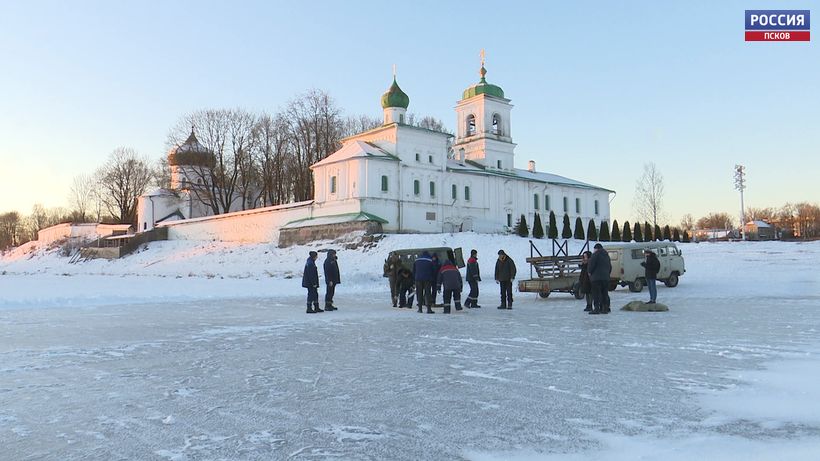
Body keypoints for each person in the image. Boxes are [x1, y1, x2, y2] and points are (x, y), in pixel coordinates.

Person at [587, 243, 612, 315]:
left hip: (596, 278)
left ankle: (597, 309)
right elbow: (610, 267)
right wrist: (607, 274)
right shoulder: (606, 255)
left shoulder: (595, 255)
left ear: (596, 249)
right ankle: (605, 308)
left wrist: (589, 272)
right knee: (605, 293)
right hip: (606, 278)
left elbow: (591, 265)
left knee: (596, 294)